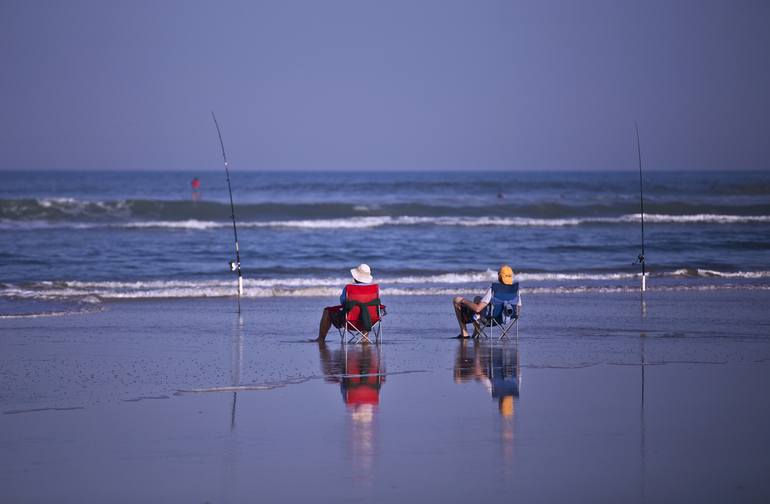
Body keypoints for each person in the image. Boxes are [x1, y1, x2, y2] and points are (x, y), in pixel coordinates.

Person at [452, 265, 521, 338]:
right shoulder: (516, 291)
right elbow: (517, 311)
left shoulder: (494, 290)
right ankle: (476, 332)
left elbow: (477, 309)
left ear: (500, 277)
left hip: (489, 320)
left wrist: (463, 300)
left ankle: (464, 334)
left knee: (456, 300)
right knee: (477, 298)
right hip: (504, 319)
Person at [314, 263, 374, 342]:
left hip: (350, 321)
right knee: (367, 310)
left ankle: (321, 339)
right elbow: (374, 305)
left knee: (327, 312)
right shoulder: (374, 289)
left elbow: (343, 303)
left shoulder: (349, 288)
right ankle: (364, 338)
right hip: (370, 321)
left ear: (355, 276)